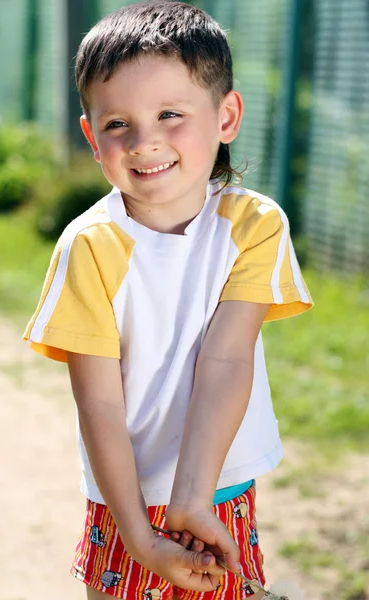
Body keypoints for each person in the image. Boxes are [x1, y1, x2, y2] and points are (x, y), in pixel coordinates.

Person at [23, 2, 313, 599]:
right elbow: (98, 403)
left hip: (216, 494)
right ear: (90, 135)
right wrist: (138, 536)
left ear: (226, 114)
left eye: (170, 114)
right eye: (117, 124)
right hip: (122, 505)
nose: (144, 141)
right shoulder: (89, 247)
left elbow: (226, 359)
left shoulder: (254, 225)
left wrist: (191, 498)